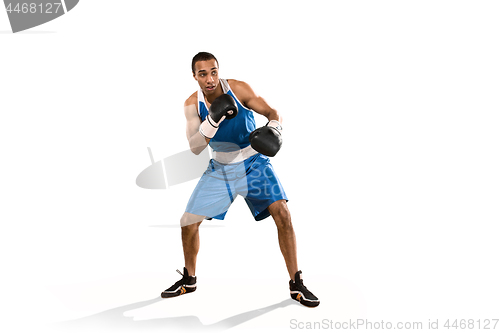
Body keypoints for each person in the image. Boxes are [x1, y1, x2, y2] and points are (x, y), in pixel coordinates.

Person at [160, 52, 319, 307]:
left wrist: (275, 129)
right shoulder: (192, 104)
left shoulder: (238, 88)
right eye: (203, 74)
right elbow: (195, 147)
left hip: (254, 163)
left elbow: (271, 111)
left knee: (283, 214)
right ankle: (189, 279)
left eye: (213, 72)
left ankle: (296, 283)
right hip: (220, 168)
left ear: (218, 70)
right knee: (188, 222)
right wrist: (212, 120)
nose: (210, 79)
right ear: (194, 77)